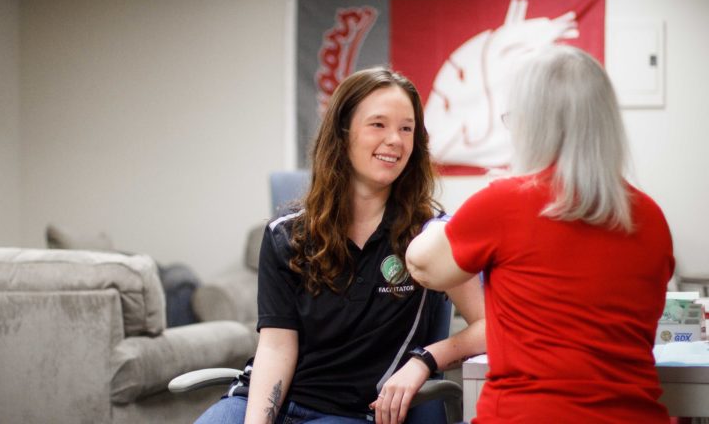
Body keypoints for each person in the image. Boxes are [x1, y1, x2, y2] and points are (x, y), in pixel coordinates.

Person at [196, 67, 485, 424]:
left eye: (406, 128)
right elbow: (276, 346)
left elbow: (492, 325)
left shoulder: (430, 236)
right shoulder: (286, 234)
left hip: (350, 414)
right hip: (265, 401)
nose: (395, 139)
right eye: (378, 124)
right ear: (343, 133)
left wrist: (426, 359)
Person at [406, 45, 674, 423]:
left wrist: (453, 218)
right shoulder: (652, 218)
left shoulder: (505, 202)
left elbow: (423, 266)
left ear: (533, 125)